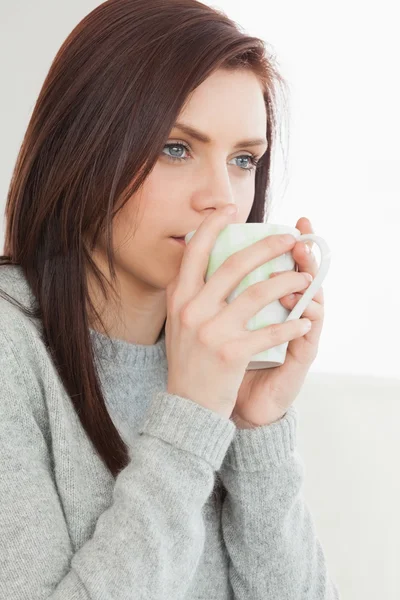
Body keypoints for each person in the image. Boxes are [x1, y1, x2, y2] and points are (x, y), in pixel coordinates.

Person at [0, 0, 340, 598]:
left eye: (243, 160)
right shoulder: (11, 348)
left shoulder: (219, 361)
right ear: (82, 148)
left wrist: (255, 424)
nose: (224, 200)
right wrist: (192, 414)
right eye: (176, 148)